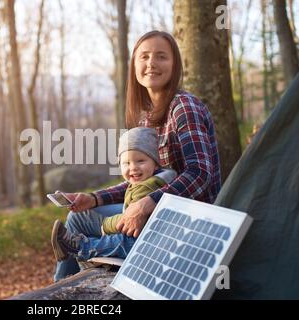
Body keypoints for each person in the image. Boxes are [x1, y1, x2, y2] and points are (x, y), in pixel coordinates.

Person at [53, 30, 221, 282]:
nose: (151, 63)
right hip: (158, 211)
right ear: (134, 65)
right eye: (144, 57)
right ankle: (62, 291)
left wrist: (148, 203)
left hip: (186, 221)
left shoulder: (184, 107)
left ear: (174, 65)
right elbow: (140, 178)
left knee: (85, 225)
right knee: (77, 215)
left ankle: (70, 287)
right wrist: (93, 198)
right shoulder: (147, 116)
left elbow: (200, 174)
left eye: (161, 56)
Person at [51, 127, 177, 262]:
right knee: (85, 221)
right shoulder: (150, 179)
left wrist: (105, 225)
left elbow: (128, 220)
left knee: (120, 241)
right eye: (126, 163)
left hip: (147, 240)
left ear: (156, 164)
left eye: (140, 161)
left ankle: (82, 247)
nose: (133, 167)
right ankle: (74, 249)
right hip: (146, 232)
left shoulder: (147, 187)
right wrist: (93, 198)